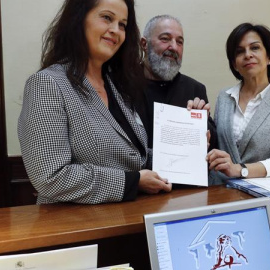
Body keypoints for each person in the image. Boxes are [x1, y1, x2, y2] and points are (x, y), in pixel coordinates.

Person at [17, 0, 171, 204]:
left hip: (127, 221)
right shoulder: (47, 83)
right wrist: (132, 182)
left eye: (122, 25)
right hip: (76, 229)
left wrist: (186, 147)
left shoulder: (118, 88)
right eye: (107, 18)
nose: (115, 30)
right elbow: (50, 177)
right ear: (79, 20)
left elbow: (134, 158)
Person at [207, 23, 270, 184]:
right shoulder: (224, 97)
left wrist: (240, 170)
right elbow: (218, 146)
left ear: (269, 57)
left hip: (259, 194)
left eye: (255, 48)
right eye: (240, 51)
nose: (247, 55)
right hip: (216, 191)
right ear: (235, 64)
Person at [139, 15, 217, 150]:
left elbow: (214, 147)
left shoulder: (195, 89)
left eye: (180, 42)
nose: (174, 47)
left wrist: (202, 124)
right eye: (165, 39)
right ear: (144, 44)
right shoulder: (122, 85)